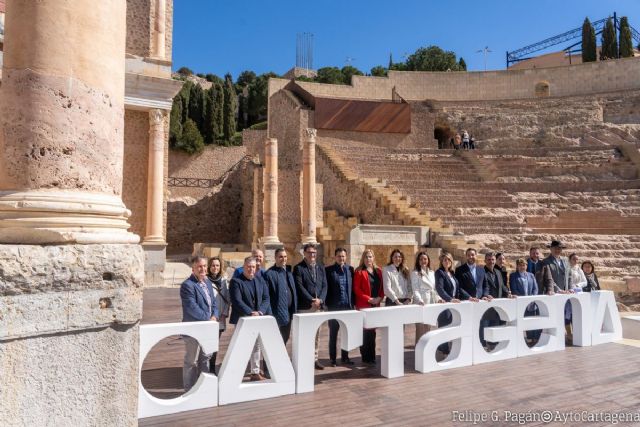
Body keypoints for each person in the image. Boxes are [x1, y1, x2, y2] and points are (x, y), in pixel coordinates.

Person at [180, 256, 219, 391]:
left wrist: (215, 315)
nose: (203, 269)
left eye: (204, 266)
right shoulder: (187, 285)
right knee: (191, 361)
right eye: (199, 267)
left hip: (207, 328)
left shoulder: (207, 282)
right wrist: (208, 319)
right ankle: (189, 389)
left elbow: (214, 303)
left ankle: (203, 388)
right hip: (193, 330)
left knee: (205, 358)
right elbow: (191, 307)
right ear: (193, 269)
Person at [229, 256, 271, 381]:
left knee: (256, 345)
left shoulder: (260, 280)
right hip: (243, 319)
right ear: (244, 267)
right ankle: (236, 372)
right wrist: (250, 312)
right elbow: (237, 301)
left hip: (257, 318)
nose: (251, 269)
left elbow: (266, 298)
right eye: (248, 267)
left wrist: (260, 312)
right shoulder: (236, 281)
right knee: (240, 345)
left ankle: (255, 372)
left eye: (253, 267)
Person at [293, 243, 328, 370]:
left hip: (319, 307)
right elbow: (299, 286)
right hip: (306, 307)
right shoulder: (298, 268)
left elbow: (325, 285)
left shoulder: (320, 267)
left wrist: (321, 300)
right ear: (304, 253)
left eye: (314, 252)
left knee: (316, 335)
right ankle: (303, 359)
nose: (312, 255)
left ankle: (315, 359)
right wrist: (312, 300)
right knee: (305, 334)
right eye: (309, 252)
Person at [325, 247, 355, 366]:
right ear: (335, 257)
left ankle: (345, 357)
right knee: (333, 333)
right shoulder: (329, 270)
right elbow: (326, 288)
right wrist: (326, 304)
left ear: (346, 257)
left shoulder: (350, 270)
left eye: (343, 256)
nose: (341, 258)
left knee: (346, 333)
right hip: (334, 307)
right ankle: (332, 359)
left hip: (347, 307)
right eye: (339, 256)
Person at [353, 249, 383, 365]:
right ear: (363, 259)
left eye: (370, 257)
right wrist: (369, 299)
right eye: (366, 257)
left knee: (373, 331)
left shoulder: (379, 271)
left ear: (373, 258)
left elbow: (382, 288)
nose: (368, 259)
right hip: (364, 304)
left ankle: (372, 356)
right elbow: (356, 289)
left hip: (376, 304)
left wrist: (379, 298)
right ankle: (365, 356)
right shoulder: (359, 271)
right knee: (365, 331)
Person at [264, 248, 297, 344]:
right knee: (273, 341)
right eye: (281, 257)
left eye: (285, 256)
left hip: (289, 312)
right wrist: (270, 314)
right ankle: (269, 359)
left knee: (285, 338)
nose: (284, 259)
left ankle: (280, 359)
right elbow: (267, 296)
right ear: (275, 258)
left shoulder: (289, 272)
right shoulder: (269, 274)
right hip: (276, 313)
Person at [480, 252, 512, 348]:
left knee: (495, 326)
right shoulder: (481, 272)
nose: (491, 261)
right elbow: (480, 287)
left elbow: (502, 286)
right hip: (486, 305)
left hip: (497, 305)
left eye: (493, 259)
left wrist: (508, 293)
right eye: (489, 260)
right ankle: (483, 346)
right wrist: (485, 295)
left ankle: (492, 345)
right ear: (485, 261)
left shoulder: (498, 272)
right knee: (484, 327)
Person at [207, 256, 230, 373]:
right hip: (209, 318)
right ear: (209, 267)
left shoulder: (224, 280)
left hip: (220, 317)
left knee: (215, 343)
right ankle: (204, 367)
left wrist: (224, 314)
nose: (215, 268)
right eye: (213, 265)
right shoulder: (205, 281)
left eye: (217, 265)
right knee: (207, 343)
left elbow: (227, 298)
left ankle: (212, 367)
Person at [411, 251, 439, 343]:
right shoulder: (415, 273)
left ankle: (426, 350)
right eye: (421, 259)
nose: (423, 261)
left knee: (428, 328)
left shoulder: (431, 272)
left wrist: (438, 299)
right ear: (418, 261)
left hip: (430, 301)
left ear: (428, 260)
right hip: (421, 302)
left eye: (425, 259)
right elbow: (415, 289)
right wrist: (419, 300)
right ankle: (418, 352)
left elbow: (434, 289)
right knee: (420, 328)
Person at [509, 258, 539, 343]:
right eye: (520, 265)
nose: (523, 267)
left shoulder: (531, 275)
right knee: (524, 321)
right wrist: (524, 299)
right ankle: (528, 338)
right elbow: (514, 289)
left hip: (532, 303)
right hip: (521, 303)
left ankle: (535, 338)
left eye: (524, 265)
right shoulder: (513, 276)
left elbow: (535, 288)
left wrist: (532, 297)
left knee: (533, 320)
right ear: (517, 266)